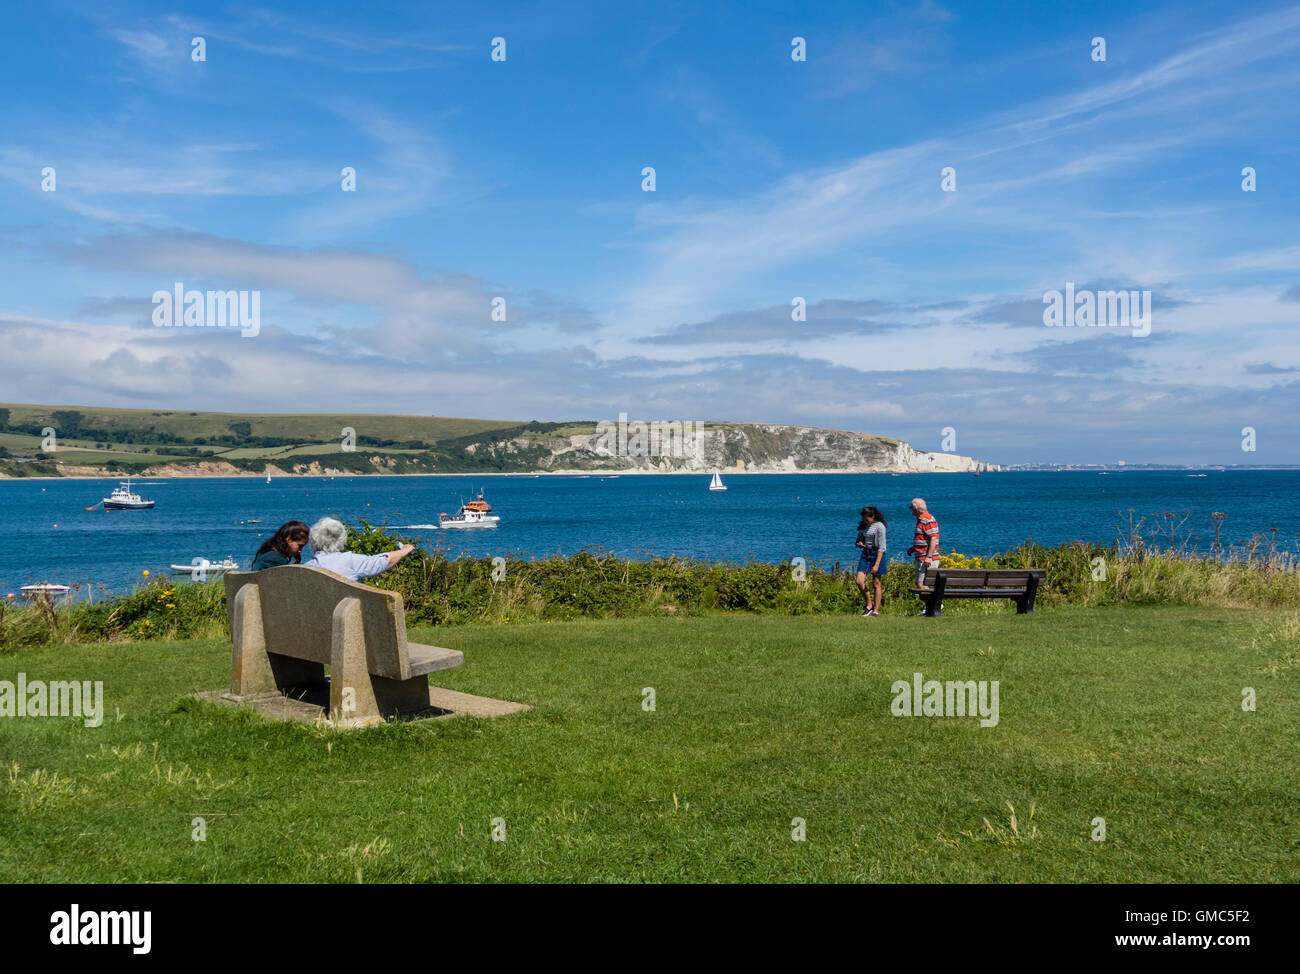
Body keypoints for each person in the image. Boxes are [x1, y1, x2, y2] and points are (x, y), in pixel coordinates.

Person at [304, 517, 416, 582]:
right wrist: (405, 550)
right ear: (341, 539)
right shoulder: (351, 561)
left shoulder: (306, 568)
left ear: (313, 540)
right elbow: (385, 561)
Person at [854, 506, 887, 617]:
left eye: (866, 518)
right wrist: (859, 543)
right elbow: (858, 539)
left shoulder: (879, 526)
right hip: (865, 553)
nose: (865, 520)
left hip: (877, 554)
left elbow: (882, 547)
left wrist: (877, 564)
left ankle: (876, 610)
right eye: (863, 518)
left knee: (876, 583)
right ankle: (869, 604)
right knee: (859, 580)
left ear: (872, 516)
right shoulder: (864, 526)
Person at [909, 497, 940, 591]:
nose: (910, 509)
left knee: (921, 583)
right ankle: (932, 605)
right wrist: (914, 548)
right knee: (921, 583)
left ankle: (935, 604)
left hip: (926, 558)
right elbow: (924, 539)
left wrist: (929, 557)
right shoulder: (922, 519)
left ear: (916, 509)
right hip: (922, 557)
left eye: (911, 507)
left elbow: (933, 539)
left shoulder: (927, 520)